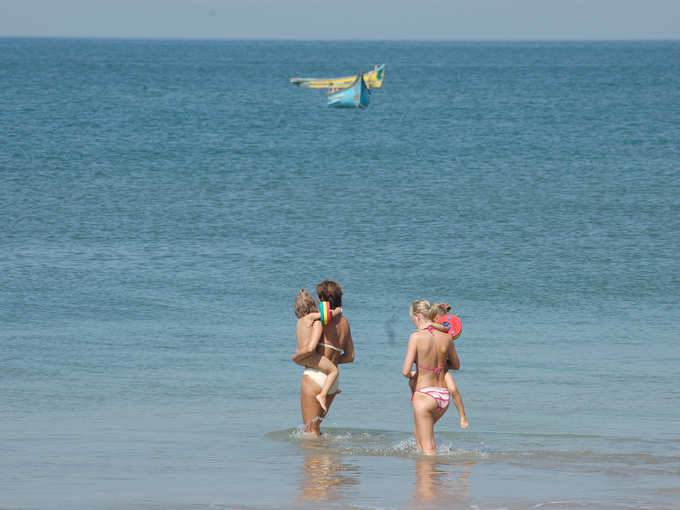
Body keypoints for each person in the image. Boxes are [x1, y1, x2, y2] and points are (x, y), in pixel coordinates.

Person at [402, 299, 461, 455]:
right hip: (442, 396)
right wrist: (438, 367)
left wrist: (416, 373)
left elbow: (405, 371)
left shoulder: (415, 337)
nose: (414, 323)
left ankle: (430, 476)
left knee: (429, 450)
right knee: (419, 435)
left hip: (424, 397)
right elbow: (456, 365)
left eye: (413, 319)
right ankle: (428, 478)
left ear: (418, 316)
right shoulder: (446, 338)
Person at [298, 280, 355, 436]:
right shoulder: (345, 322)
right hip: (332, 381)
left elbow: (310, 347)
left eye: (319, 297)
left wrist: (299, 358)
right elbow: (350, 357)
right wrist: (332, 362)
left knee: (309, 430)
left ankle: (314, 460)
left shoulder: (321, 320)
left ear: (323, 299)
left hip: (315, 376)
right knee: (316, 429)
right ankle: (325, 459)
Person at [291, 289, 343, 412]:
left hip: (301, 357)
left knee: (329, 370)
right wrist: (336, 311)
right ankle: (323, 394)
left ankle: (332, 390)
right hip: (310, 355)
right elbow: (325, 316)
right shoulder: (310, 317)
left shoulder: (299, 322)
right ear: (312, 305)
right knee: (334, 371)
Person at [432, 303, 469, 429]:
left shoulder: (447, 338)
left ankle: (462, 416)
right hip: (430, 369)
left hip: (443, 369)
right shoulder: (428, 333)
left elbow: (454, 364)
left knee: (453, 389)